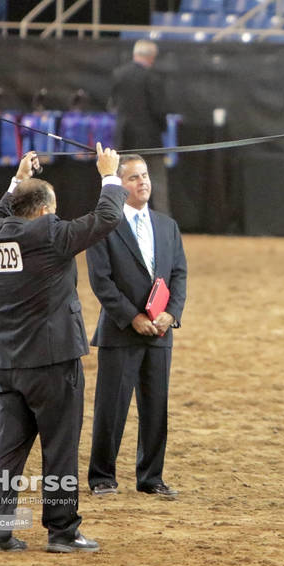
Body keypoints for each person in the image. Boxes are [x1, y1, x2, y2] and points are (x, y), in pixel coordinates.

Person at [0, 144, 125, 554]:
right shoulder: (49, 234)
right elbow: (107, 217)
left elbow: (0, 213)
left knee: (5, 450)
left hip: (8, 361)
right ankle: (62, 532)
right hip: (53, 362)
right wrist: (108, 174)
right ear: (44, 211)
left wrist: (16, 181)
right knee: (60, 447)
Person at [86, 154, 187, 498]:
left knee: (156, 407)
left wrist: (171, 314)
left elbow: (178, 275)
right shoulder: (105, 226)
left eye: (145, 176)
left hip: (160, 332)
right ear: (120, 185)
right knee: (111, 408)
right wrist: (133, 317)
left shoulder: (167, 225)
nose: (143, 182)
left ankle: (151, 478)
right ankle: (102, 476)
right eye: (133, 178)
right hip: (121, 332)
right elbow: (101, 282)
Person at [110, 39, 171, 216]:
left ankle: (117, 217)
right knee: (156, 182)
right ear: (152, 57)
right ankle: (162, 221)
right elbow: (159, 109)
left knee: (122, 179)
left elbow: (113, 104)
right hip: (149, 139)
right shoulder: (153, 78)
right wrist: (163, 128)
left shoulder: (118, 74)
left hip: (125, 138)